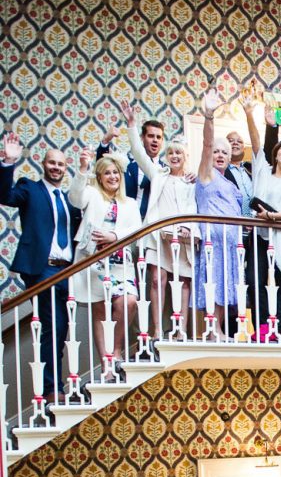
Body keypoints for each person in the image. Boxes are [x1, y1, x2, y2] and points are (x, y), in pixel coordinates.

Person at [0, 131, 81, 403]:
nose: (56, 167)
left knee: (62, 328)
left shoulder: (71, 200)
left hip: (68, 271)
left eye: (60, 164)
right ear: (43, 165)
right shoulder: (29, 189)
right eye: (51, 163)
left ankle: (56, 386)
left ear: (65, 167)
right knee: (52, 327)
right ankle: (52, 389)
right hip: (42, 269)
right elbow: (4, 196)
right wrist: (7, 163)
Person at [120, 100, 196, 341]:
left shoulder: (190, 182)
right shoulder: (158, 175)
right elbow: (139, 154)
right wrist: (131, 125)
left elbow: (194, 208)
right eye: (171, 153)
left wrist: (189, 228)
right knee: (157, 280)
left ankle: (180, 328)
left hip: (181, 236)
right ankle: (156, 330)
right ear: (166, 156)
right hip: (157, 236)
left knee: (183, 282)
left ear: (185, 157)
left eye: (179, 153)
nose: (174, 156)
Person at [68, 148, 143, 378]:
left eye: (116, 173)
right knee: (101, 310)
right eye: (107, 173)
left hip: (121, 262)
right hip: (94, 261)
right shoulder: (92, 194)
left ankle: (116, 349)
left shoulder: (129, 203)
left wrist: (115, 236)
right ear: (100, 177)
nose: (113, 177)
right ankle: (107, 364)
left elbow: (138, 229)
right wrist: (83, 169)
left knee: (129, 301)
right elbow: (75, 198)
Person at [243, 88, 281, 340]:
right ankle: (261, 329)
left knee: (279, 283)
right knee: (256, 281)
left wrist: (270, 216)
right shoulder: (262, 170)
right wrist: (250, 114)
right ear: (276, 152)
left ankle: (279, 328)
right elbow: (257, 143)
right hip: (258, 236)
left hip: (280, 236)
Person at [194, 85, 245, 339]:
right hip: (213, 239)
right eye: (217, 151)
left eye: (225, 152)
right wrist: (209, 116)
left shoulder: (230, 181)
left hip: (231, 242)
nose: (220, 155)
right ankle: (211, 329)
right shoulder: (206, 174)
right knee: (213, 282)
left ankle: (220, 328)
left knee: (226, 284)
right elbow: (205, 144)